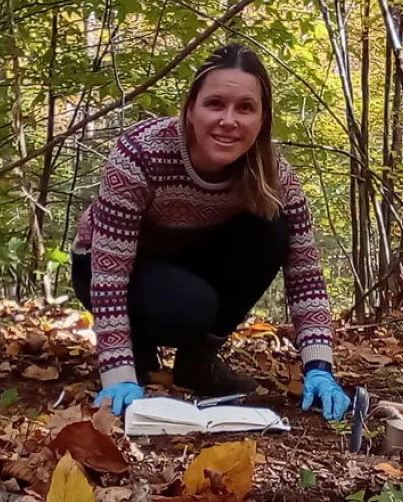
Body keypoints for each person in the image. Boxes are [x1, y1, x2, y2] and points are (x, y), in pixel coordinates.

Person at [71, 43, 351, 421]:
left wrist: (320, 366)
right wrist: (116, 369)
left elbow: (305, 275)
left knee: (272, 228)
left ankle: (196, 361)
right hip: (105, 265)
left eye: (245, 108)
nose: (229, 120)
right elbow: (109, 272)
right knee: (190, 305)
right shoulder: (140, 154)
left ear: (263, 118)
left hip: (187, 258)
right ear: (190, 110)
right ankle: (135, 350)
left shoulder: (273, 175)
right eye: (215, 104)